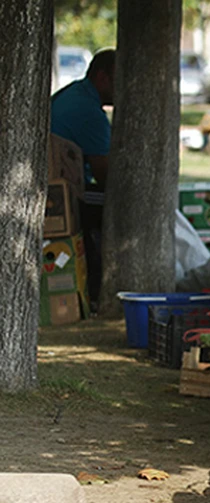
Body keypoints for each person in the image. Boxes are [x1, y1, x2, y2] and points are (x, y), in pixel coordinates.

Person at [50, 48, 116, 311]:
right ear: (102, 78)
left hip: (54, 181)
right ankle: (98, 287)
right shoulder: (89, 112)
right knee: (121, 205)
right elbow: (106, 178)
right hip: (62, 190)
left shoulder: (76, 93)